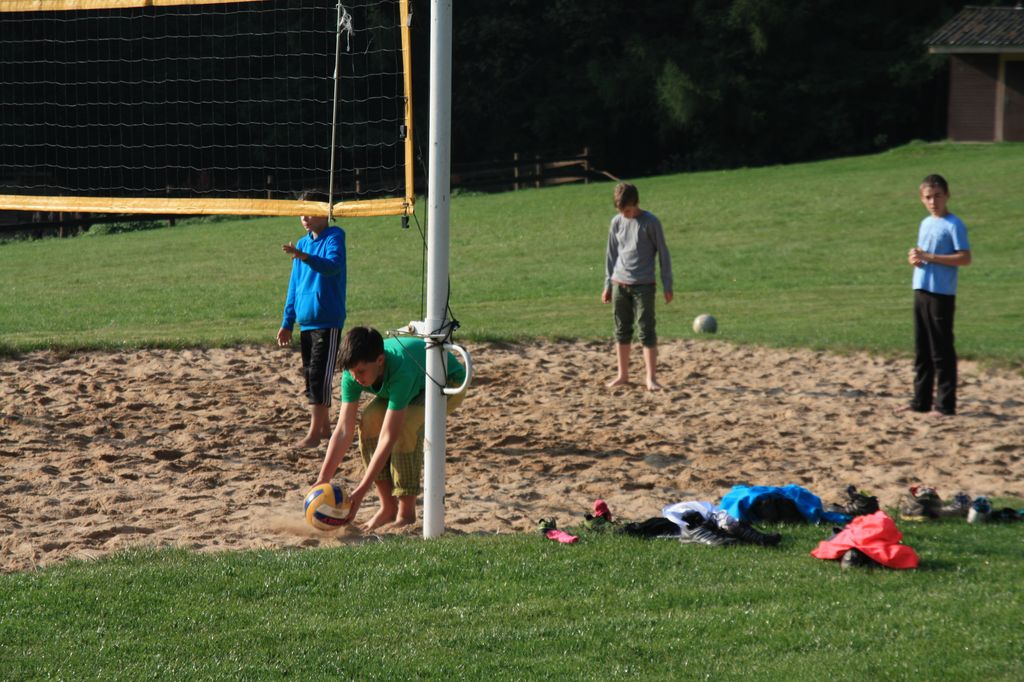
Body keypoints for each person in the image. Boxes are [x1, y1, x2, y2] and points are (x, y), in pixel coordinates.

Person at [312, 326, 467, 531]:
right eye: (351, 372)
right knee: (370, 420)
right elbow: (342, 431)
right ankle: (387, 508)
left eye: (361, 372)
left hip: (447, 382)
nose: (356, 377)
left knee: (405, 426)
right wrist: (323, 478)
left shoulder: (401, 370)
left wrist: (361, 490)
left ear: (380, 361)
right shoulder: (353, 372)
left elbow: (388, 437)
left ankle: (406, 514)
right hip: (414, 382)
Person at [277, 191, 347, 447]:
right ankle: (325, 429)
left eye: (309, 212)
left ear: (325, 212)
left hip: (327, 319)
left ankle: (314, 432)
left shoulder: (334, 236)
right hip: (306, 319)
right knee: (310, 375)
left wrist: (305, 257)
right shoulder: (301, 243)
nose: (304, 218)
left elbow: (332, 266)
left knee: (319, 376)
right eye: (301, 213)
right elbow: (294, 286)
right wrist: (287, 322)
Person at [900, 174, 971, 416]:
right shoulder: (925, 223)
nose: (933, 202)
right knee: (922, 350)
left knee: (941, 351)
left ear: (947, 196)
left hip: (941, 293)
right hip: (921, 288)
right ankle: (920, 402)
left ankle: (945, 405)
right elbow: (923, 255)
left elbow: (965, 258)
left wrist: (931, 257)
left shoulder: (954, 224)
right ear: (922, 199)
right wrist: (915, 258)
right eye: (928, 197)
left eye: (937, 196)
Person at [602, 182, 673, 390]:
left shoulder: (651, 222)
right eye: (621, 211)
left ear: (636, 203)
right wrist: (608, 284)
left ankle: (651, 378)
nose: (624, 214)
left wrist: (667, 284)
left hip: (644, 285)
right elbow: (611, 255)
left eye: (627, 210)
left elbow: (663, 254)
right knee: (621, 330)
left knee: (646, 330)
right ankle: (622, 375)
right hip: (619, 283)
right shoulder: (616, 222)